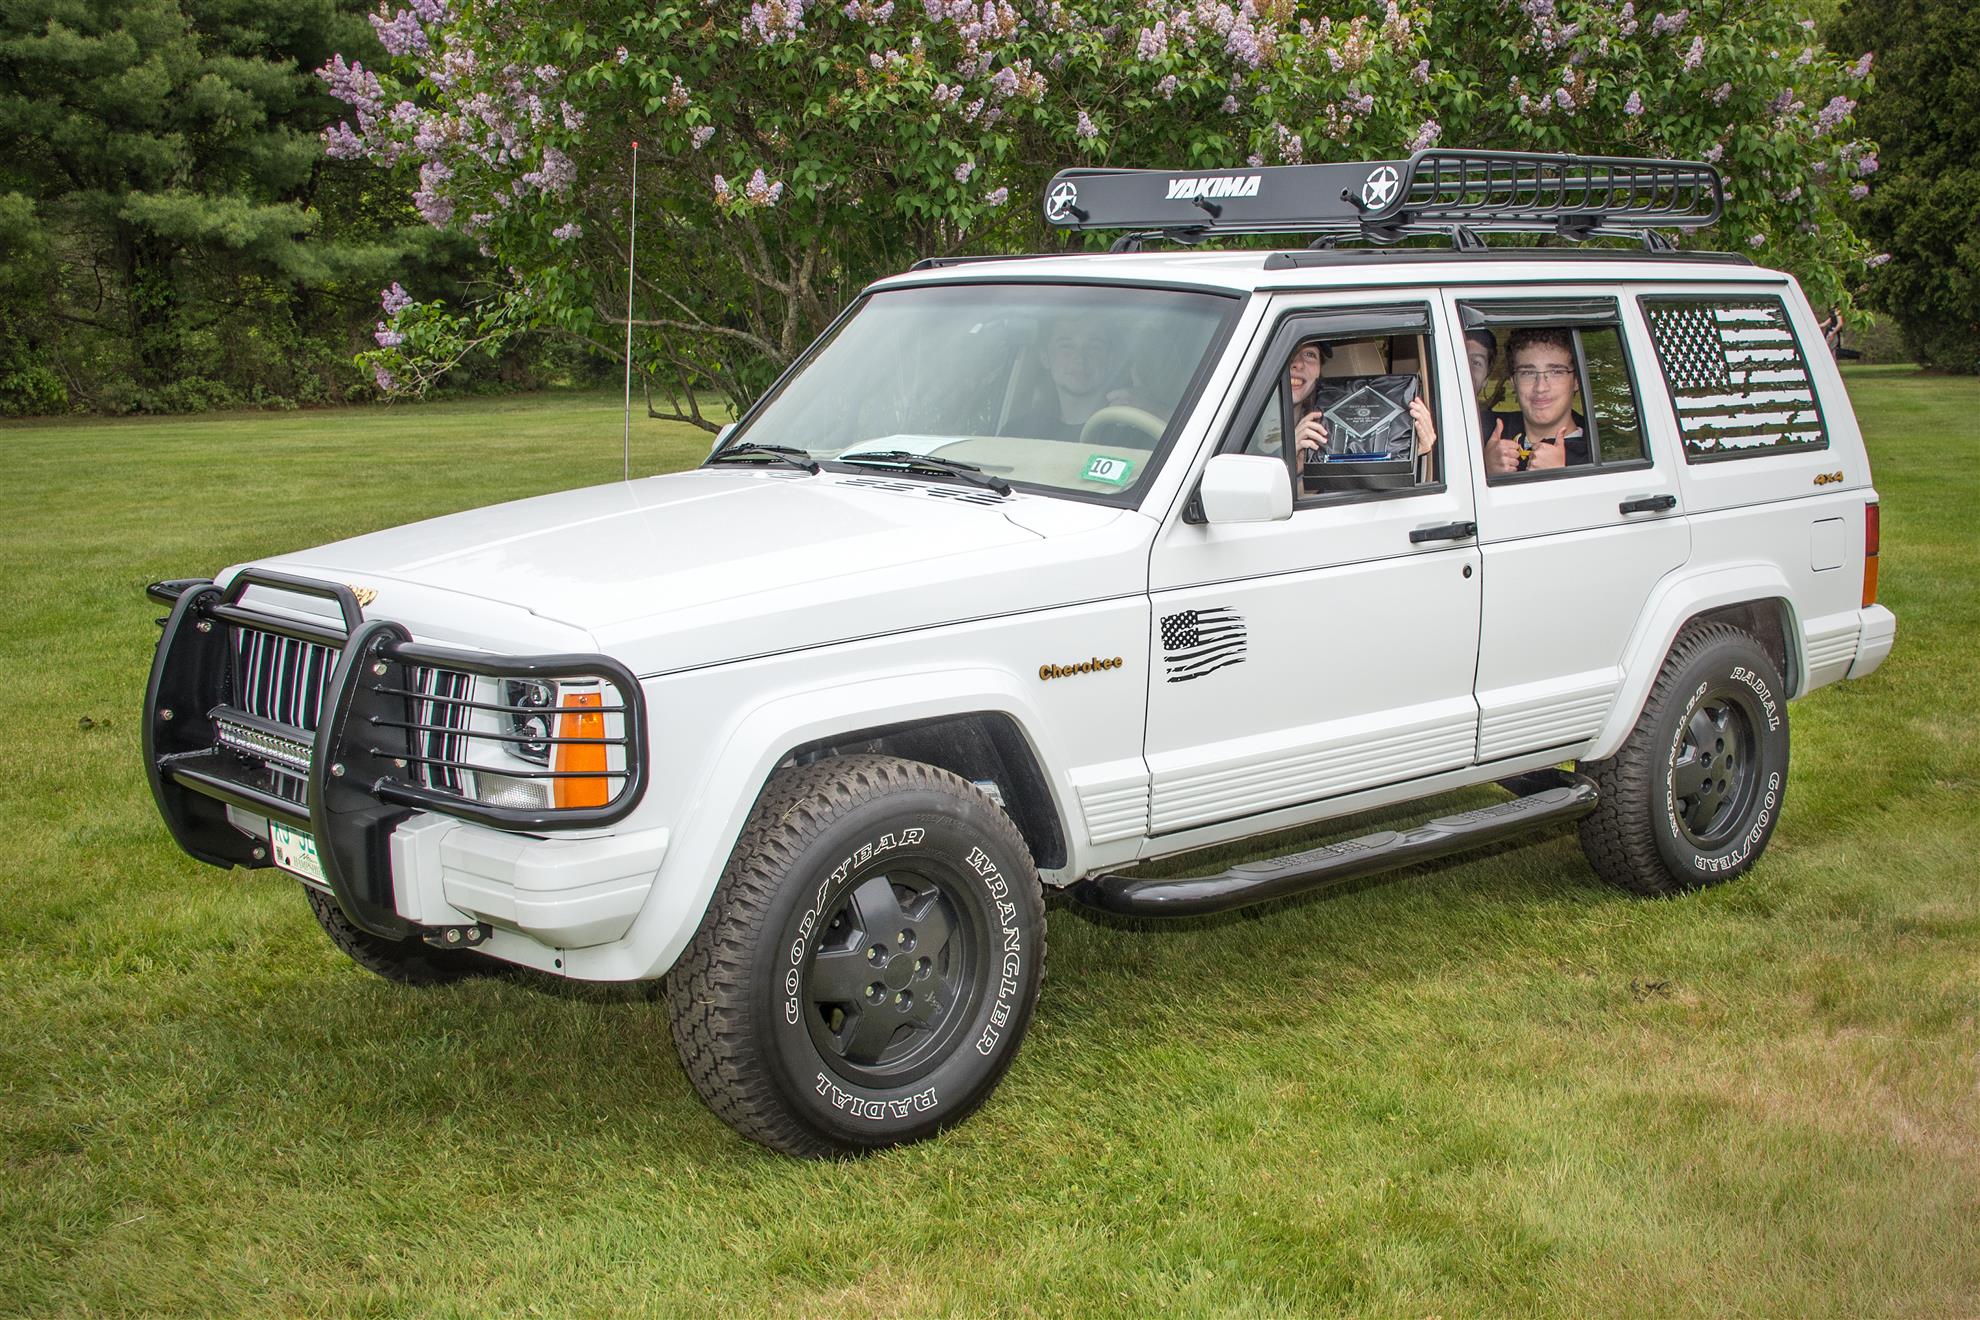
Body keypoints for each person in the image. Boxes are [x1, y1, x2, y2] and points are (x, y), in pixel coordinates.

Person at [1289, 338, 1436, 476]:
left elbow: (1356, 482)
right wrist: (1288, 460)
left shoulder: (1328, 428)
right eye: (1289, 353)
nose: (1298, 363)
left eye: (1309, 354)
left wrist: (1410, 451)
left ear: (1320, 369)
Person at [1483, 326, 1589, 476]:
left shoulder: (1602, 452)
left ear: (1576, 381)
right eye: (1528, 373)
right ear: (1513, 382)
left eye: (1555, 372)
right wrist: (1483, 469)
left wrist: (1561, 479)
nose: (1540, 387)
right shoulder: (1481, 430)